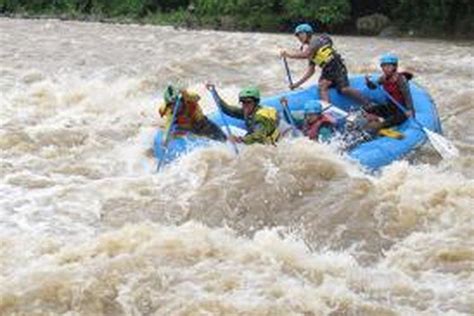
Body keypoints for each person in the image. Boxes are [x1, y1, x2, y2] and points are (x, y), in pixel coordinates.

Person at [280, 23, 370, 107]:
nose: (299, 37)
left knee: (343, 89)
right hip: (327, 71)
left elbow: (305, 54)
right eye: (297, 35)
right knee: (322, 86)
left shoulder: (316, 41)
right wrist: (296, 84)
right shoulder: (311, 52)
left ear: (308, 33)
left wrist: (288, 55)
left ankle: (368, 103)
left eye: (300, 34)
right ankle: (328, 109)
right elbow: (311, 72)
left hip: (337, 67)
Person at [205, 84, 280, 145]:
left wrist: (240, 139)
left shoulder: (259, 118)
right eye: (243, 102)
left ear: (256, 102)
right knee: (225, 130)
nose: (245, 105)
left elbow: (258, 136)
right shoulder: (248, 111)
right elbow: (227, 110)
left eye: (248, 102)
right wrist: (214, 92)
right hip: (258, 136)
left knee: (227, 131)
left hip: (268, 142)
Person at [158, 85, 226, 141]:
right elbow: (168, 124)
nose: (175, 106)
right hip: (184, 128)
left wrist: (185, 94)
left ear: (181, 100)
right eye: (172, 104)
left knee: (221, 136)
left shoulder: (187, 98)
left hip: (200, 123)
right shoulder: (170, 111)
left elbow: (198, 97)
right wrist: (165, 139)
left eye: (176, 103)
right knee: (174, 130)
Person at [364, 53, 414, 129]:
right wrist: (368, 82)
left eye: (388, 66)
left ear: (394, 67)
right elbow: (373, 87)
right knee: (368, 109)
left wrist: (410, 110)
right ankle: (377, 120)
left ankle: (381, 124)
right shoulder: (383, 78)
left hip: (401, 109)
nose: (385, 69)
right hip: (390, 106)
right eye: (383, 66)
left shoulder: (401, 79)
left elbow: (407, 95)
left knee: (388, 121)